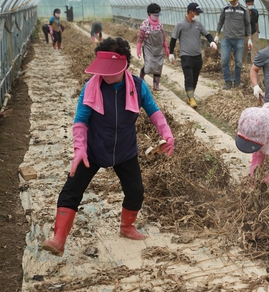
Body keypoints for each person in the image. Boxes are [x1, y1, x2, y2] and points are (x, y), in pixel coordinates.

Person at [41, 37, 175, 257]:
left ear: (125, 67)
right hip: (93, 150)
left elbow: (154, 111)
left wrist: (166, 133)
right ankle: (58, 239)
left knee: (136, 192)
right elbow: (81, 121)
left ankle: (126, 227)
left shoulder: (138, 87)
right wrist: (79, 150)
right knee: (70, 191)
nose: (103, 75)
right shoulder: (91, 87)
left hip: (124, 149)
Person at [169, 3, 217, 109]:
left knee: (195, 77)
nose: (198, 15)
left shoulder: (198, 24)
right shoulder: (180, 24)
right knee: (189, 77)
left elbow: (207, 34)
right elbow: (173, 39)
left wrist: (212, 41)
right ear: (191, 12)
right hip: (186, 56)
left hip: (197, 56)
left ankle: (190, 95)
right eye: (197, 13)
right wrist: (171, 53)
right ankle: (191, 98)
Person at [214, 0, 252, 90]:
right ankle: (227, 82)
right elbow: (220, 22)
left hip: (239, 39)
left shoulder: (244, 10)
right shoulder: (225, 9)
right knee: (224, 60)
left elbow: (248, 25)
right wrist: (217, 35)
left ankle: (237, 81)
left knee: (238, 62)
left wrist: (249, 39)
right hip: (226, 39)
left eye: (233, 0)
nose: (231, 2)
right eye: (230, 1)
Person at [136, 3, 170, 91]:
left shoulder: (160, 25)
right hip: (149, 48)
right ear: (149, 14)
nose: (156, 17)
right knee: (149, 65)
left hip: (158, 49)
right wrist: (138, 49)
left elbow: (164, 39)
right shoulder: (145, 24)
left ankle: (156, 86)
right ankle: (141, 78)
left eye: (158, 15)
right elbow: (140, 39)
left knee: (158, 66)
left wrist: (166, 48)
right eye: (154, 15)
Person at [243, 0, 260, 64]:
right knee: (244, 49)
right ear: (246, 4)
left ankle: (254, 63)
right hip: (245, 33)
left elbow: (256, 22)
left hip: (254, 32)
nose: (250, 5)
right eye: (249, 4)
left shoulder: (255, 12)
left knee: (254, 48)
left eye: (251, 4)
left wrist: (258, 31)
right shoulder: (243, 11)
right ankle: (243, 63)